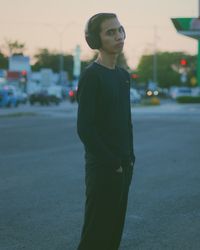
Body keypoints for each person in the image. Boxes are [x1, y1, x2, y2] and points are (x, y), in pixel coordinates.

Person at [76, 12, 136, 250]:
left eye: (120, 30)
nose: (118, 36)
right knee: (96, 234)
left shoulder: (123, 76)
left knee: (113, 233)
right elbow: (85, 129)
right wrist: (113, 163)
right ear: (95, 40)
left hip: (125, 164)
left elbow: (125, 121)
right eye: (110, 32)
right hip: (103, 168)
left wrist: (129, 158)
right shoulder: (92, 76)